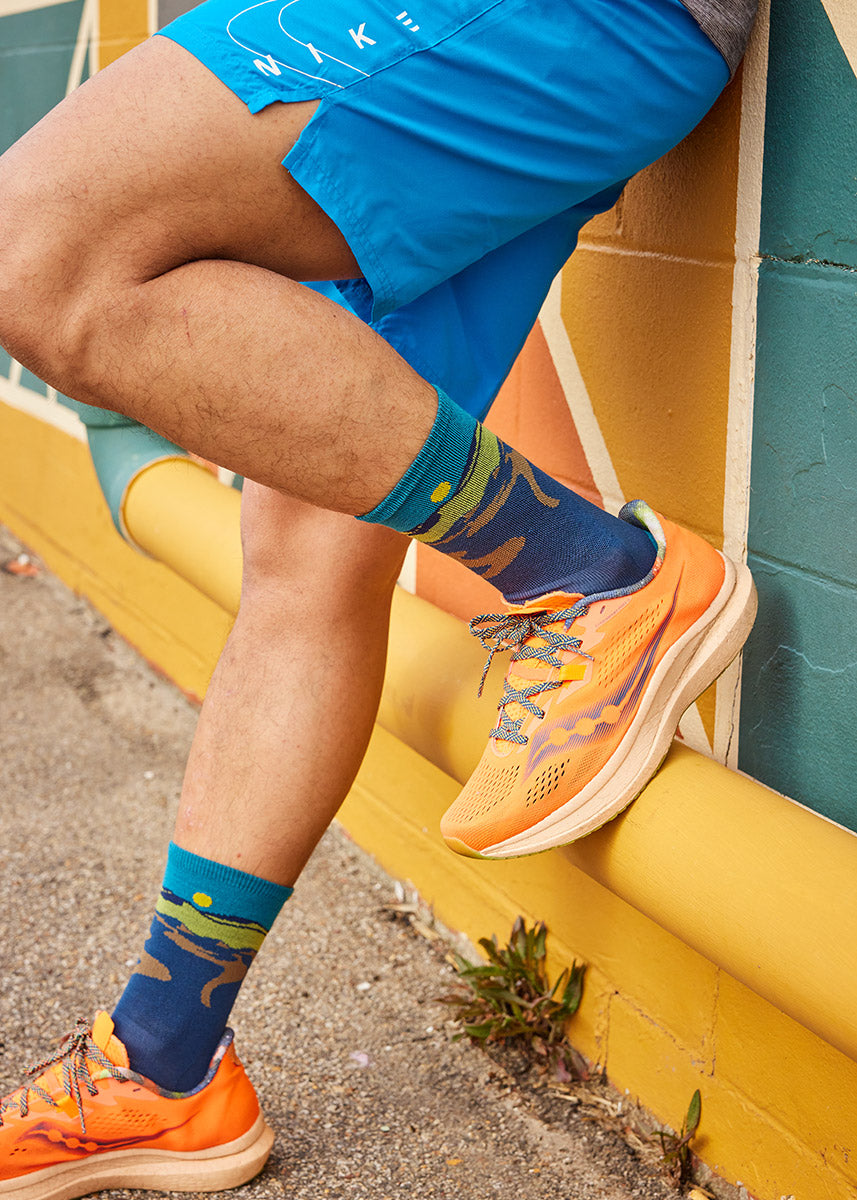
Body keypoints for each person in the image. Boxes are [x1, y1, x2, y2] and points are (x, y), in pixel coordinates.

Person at [0, 0, 758, 1193]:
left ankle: (590, 574)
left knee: (28, 243)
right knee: (308, 541)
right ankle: (165, 1068)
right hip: (554, 38)